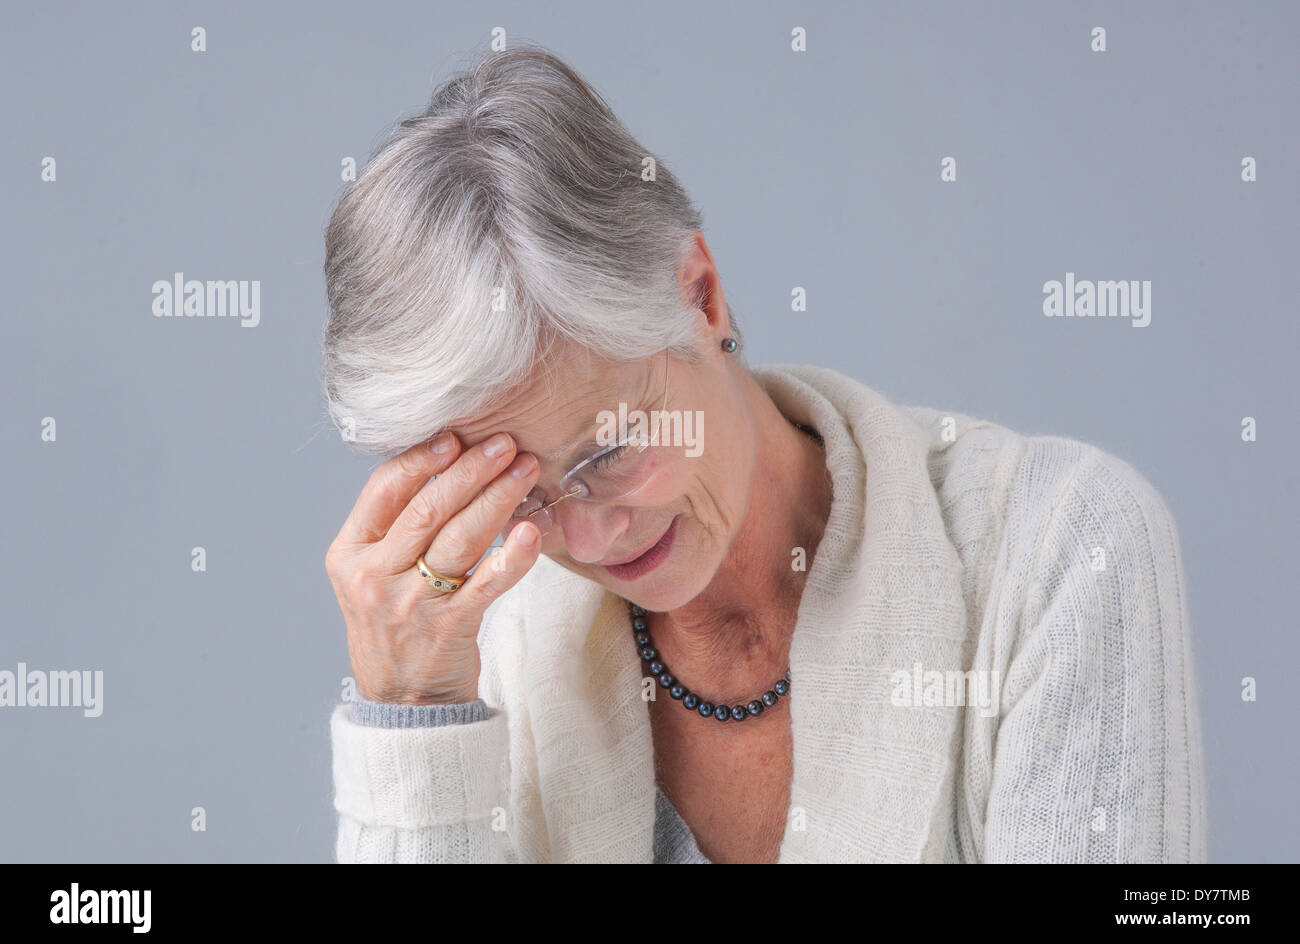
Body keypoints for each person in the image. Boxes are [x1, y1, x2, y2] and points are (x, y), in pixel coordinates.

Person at [320, 43, 1207, 863]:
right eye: (524, 497)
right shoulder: (491, 649)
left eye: (613, 450)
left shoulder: (1057, 552)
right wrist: (418, 724)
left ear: (699, 297)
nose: (589, 539)